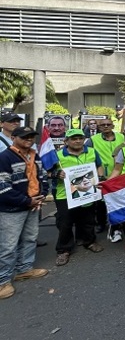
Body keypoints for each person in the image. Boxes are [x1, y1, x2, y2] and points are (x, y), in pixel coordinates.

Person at [0, 126, 49, 299]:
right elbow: (2, 187)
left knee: (30, 238)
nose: (29, 139)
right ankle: (2, 281)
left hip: (33, 204)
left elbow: (42, 176)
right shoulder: (4, 157)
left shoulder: (35, 155)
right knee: (8, 245)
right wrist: (27, 201)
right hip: (12, 209)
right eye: (24, 136)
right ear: (13, 137)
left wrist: (41, 196)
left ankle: (24, 269)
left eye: (31, 136)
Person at [53, 129, 104, 266]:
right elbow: (48, 171)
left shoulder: (92, 151)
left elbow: (99, 166)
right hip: (65, 194)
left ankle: (89, 241)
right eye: (74, 138)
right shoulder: (58, 155)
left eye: (80, 138)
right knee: (65, 222)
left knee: (88, 219)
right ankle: (64, 250)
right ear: (66, 141)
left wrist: (100, 177)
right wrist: (57, 174)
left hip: (88, 191)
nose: (77, 141)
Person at [86, 117, 125, 234]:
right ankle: (101, 223)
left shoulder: (122, 137)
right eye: (103, 125)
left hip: (120, 174)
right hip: (102, 175)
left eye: (108, 124)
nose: (106, 126)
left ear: (113, 126)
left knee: (119, 200)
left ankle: (119, 223)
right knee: (101, 203)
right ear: (99, 127)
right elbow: (86, 154)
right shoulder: (93, 140)